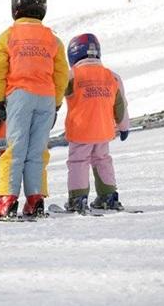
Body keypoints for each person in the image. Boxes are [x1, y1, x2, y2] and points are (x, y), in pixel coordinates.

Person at [0, 0, 69, 218]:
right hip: (45, 97)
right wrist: (56, 102)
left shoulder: (9, 35)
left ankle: (7, 199)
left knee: (16, 148)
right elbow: (62, 73)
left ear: (16, 7)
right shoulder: (52, 38)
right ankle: (35, 199)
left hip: (20, 96)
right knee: (37, 150)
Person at [64, 33, 129, 211]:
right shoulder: (112, 77)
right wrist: (124, 127)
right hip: (104, 131)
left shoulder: (72, 75)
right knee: (103, 160)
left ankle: (78, 199)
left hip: (80, 130)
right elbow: (120, 105)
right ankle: (108, 196)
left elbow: (53, 95)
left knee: (79, 161)